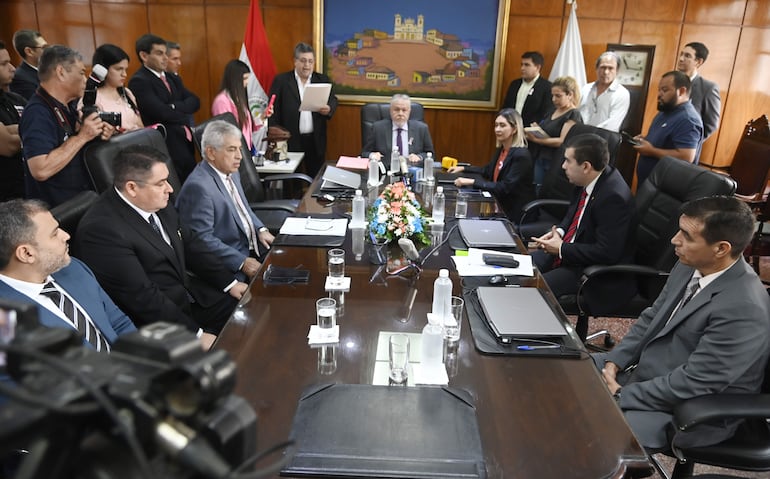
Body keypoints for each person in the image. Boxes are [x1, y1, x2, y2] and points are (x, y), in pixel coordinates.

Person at [592, 196, 770, 450]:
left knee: (594, 434)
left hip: (692, 410)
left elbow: (696, 383)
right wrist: (615, 360)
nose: (674, 240)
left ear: (721, 248)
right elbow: (652, 317)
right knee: (568, 370)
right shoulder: (690, 264)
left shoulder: (744, 307)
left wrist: (621, 393)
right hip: (650, 375)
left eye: (686, 235)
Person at [75, 145, 247, 346]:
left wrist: (230, 283)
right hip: (158, 323)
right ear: (132, 188)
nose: (170, 189)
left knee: (252, 313)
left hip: (192, 297)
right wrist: (196, 335)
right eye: (161, 183)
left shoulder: (156, 200)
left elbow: (191, 244)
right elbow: (142, 297)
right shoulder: (102, 231)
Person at [0, 199, 136, 350]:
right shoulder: (6, 318)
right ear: (26, 253)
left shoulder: (74, 268)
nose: (66, 235)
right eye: (54, 233)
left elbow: (119, 323)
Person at [531, 133, 636, 308]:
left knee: (532, 289)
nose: (563, 166)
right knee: (520, 270)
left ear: (586, 166)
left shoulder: (613, 198)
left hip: (594, 272)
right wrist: (559, 233)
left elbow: (607, 252)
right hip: (573, 253)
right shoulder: (587, 180)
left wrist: (562, 248)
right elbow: (572, 215)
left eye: (568, 161)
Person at [176, 120, 274, 282]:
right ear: (211, 153)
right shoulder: (199, 187)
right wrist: (241, 262)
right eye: (231, 150)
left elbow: (244, 208)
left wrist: (261, 228)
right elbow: (201, 240)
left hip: (252, 245)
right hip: (229, 262)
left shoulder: (230, 171)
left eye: (240, 149)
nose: (239, 157)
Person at [19, 45, 116, 207]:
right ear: (61, 72)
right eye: (81, 73)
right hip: (60, 212)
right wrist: (83, 136)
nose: (85, 80)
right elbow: (40, 170)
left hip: (83, 201)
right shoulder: (37, 112)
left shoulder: (69, 107)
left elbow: (72, 145)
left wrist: (97, 135)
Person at [128, 34, 200, 182]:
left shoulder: (172, 77)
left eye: (166, 53)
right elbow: (162, 112)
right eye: (159, 53)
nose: (165, 58)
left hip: (184, 141)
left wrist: (174, 106)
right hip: (166, 145)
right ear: (144, 55)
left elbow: (195, 101)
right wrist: (182, 110)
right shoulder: (139, 81)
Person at [447, 108, 535, 222]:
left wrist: (472, 182)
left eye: (502, 125)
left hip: (514, 210)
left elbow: (505, 187)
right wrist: (463, 168)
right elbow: (488, 170)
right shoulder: (502, 150)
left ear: (514, 129)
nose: (497, 129)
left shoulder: (521, 155)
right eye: (496, 125)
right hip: (499, 203)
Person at [269, 42, 338, 178]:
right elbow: (273, 110)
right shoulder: (282, 81)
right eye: (303, 61)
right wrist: (275, 137)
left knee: (315, 178)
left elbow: (333, 100)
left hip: (315, 139)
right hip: (290, 140)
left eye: (310, 61)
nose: (307, 65)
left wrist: (329, 109)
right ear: (295, 61)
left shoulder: (322, 79)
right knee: (292, 180)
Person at [633, 71, 703, 186]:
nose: (659, 94)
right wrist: (645, 140)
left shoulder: (688, 119)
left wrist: (651, 151)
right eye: (659, 90)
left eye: (664, 90)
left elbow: (686, 156)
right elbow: (664, 142)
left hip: (665, 189)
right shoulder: (666, 112)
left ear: (681, 91)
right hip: (649, 183)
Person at [525, 76, 582, 187]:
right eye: (553, 95)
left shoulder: (573, 114)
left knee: (547, 189)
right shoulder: (553, 110)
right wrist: (536, 129)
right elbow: (547, 130)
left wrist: (537, 140)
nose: (554, 99)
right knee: (536, 187)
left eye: (558, 96)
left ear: (570, 95)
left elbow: (562, 141)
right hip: (541, 156)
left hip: (555, 161)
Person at [212, 59, 272, 153]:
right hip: (232, 153)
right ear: (234, 79)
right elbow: (225, 132)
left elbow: (247, 126)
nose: (247, 82)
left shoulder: (239, 98)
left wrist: (262, 117)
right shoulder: (221, 101)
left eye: (248, 78)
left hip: (244, 150)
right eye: (244, 79)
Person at [80, 44, 144, 133]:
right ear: (103, 69)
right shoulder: (92, 98)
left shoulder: (126, 92)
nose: (124, 74)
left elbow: (140, 125)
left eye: (125, 69)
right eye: (119, 69)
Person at [361, 93, 434, 165]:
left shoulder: (421, 128)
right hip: (386, 172)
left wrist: (419, 157)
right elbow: (364, 153)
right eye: (396, 109)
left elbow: (431, 154)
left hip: (412, 171)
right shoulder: (377, 128)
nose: (400, 113)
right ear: (390, 110)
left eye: (404, 110)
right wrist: (372, 155)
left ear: (409, 111)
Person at [676, 41, 721, 141]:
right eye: (681, 54)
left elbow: (711, 124)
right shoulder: (672, 82)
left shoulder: (708, 88)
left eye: (687, 56)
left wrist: (691, 142)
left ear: (698, 62)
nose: (681, 59)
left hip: (685, 148)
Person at [578, 51, 630, 132]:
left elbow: (612, 124)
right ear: (596, 68)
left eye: (610, 68)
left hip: (603, 139)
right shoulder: (586, 88)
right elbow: (577, 112)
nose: (606, 72)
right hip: (579, 136)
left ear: (617, 70)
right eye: (603, 67)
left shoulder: (622, 94)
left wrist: (588, 132)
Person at [0, 41, 26, 201]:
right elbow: (8, 145)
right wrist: (39, 134)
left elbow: (38, 124)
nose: (12, 68)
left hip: (27, 187)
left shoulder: (15, 98)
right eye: (3, 64)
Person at [501, 52, 553, 127]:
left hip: (531, 133)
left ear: (537, 67)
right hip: (510, 129)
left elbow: (547, 113)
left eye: (527, 65)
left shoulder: (547, 87)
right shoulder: (514, 84)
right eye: (521, 64)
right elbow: (506, 107)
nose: (522, 68)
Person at [9, 30, 48, 100]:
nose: (48, 51)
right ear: (29, 51)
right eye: (44, 47)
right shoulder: (20, 78)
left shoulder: (48, 70)